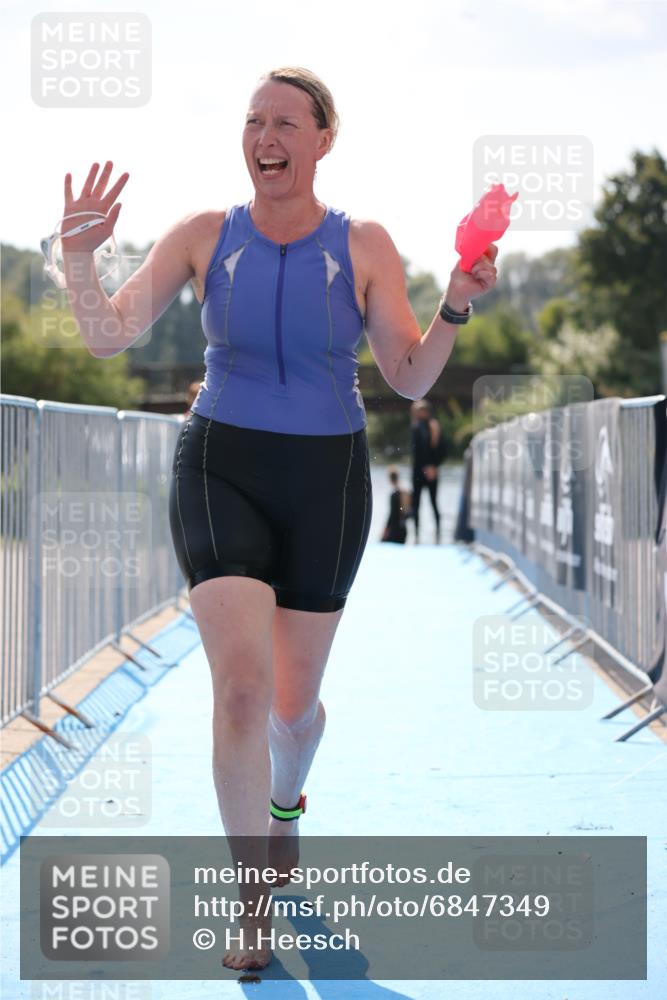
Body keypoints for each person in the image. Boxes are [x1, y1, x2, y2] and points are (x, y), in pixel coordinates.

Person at [58, 66, 498, 970]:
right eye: (254, 120)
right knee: (243, 693)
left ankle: (287, 807)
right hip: (220, 463)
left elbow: (410, 375)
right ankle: (250, 906)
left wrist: (455, 300)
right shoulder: (201, 234)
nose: (267, 135)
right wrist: (77, 258)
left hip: (326, 482)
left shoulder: (365, 242)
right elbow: (108, 334)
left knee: (293, 711)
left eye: (287, 122)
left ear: (322, 138)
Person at [410, 398, 447, 543]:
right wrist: (424, 467)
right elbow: (416, 452)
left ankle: (438, 535)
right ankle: (417, 535)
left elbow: (442, 450)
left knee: (433, 502)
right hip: (418, 472)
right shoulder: (415, 427)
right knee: (416, 504)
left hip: (432, 471)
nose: (419, 413)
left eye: (421, 410)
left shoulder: (434, 426)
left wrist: (434, 466)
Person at [381, 466, 411, 544]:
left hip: (394, 530)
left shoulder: (394, 495)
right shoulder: (405, 493)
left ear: (390, 479)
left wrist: (385, 530)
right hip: (403, 530)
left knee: (382, 543)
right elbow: (408, 514)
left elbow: (392, 515)